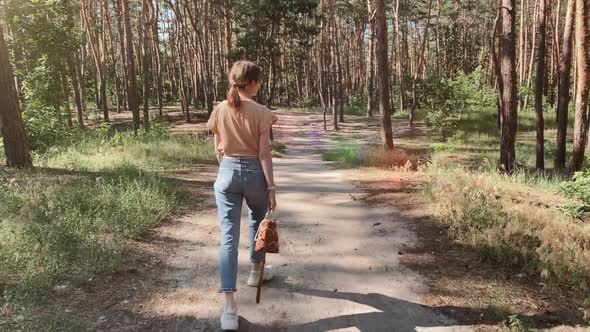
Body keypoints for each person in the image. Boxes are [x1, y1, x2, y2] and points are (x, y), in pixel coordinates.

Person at [206, 60, 278, 330]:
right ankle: (256, 271)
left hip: (226, 172)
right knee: (259, 224)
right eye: (259, 81)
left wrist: (227, 171)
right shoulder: (261, 112)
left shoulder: (219, 109)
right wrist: (271, 187)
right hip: (254, 174)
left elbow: (218, 150)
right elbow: (264, 153)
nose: (260, 85)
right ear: (251, 84)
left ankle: (229, 310)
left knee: (228, 238)